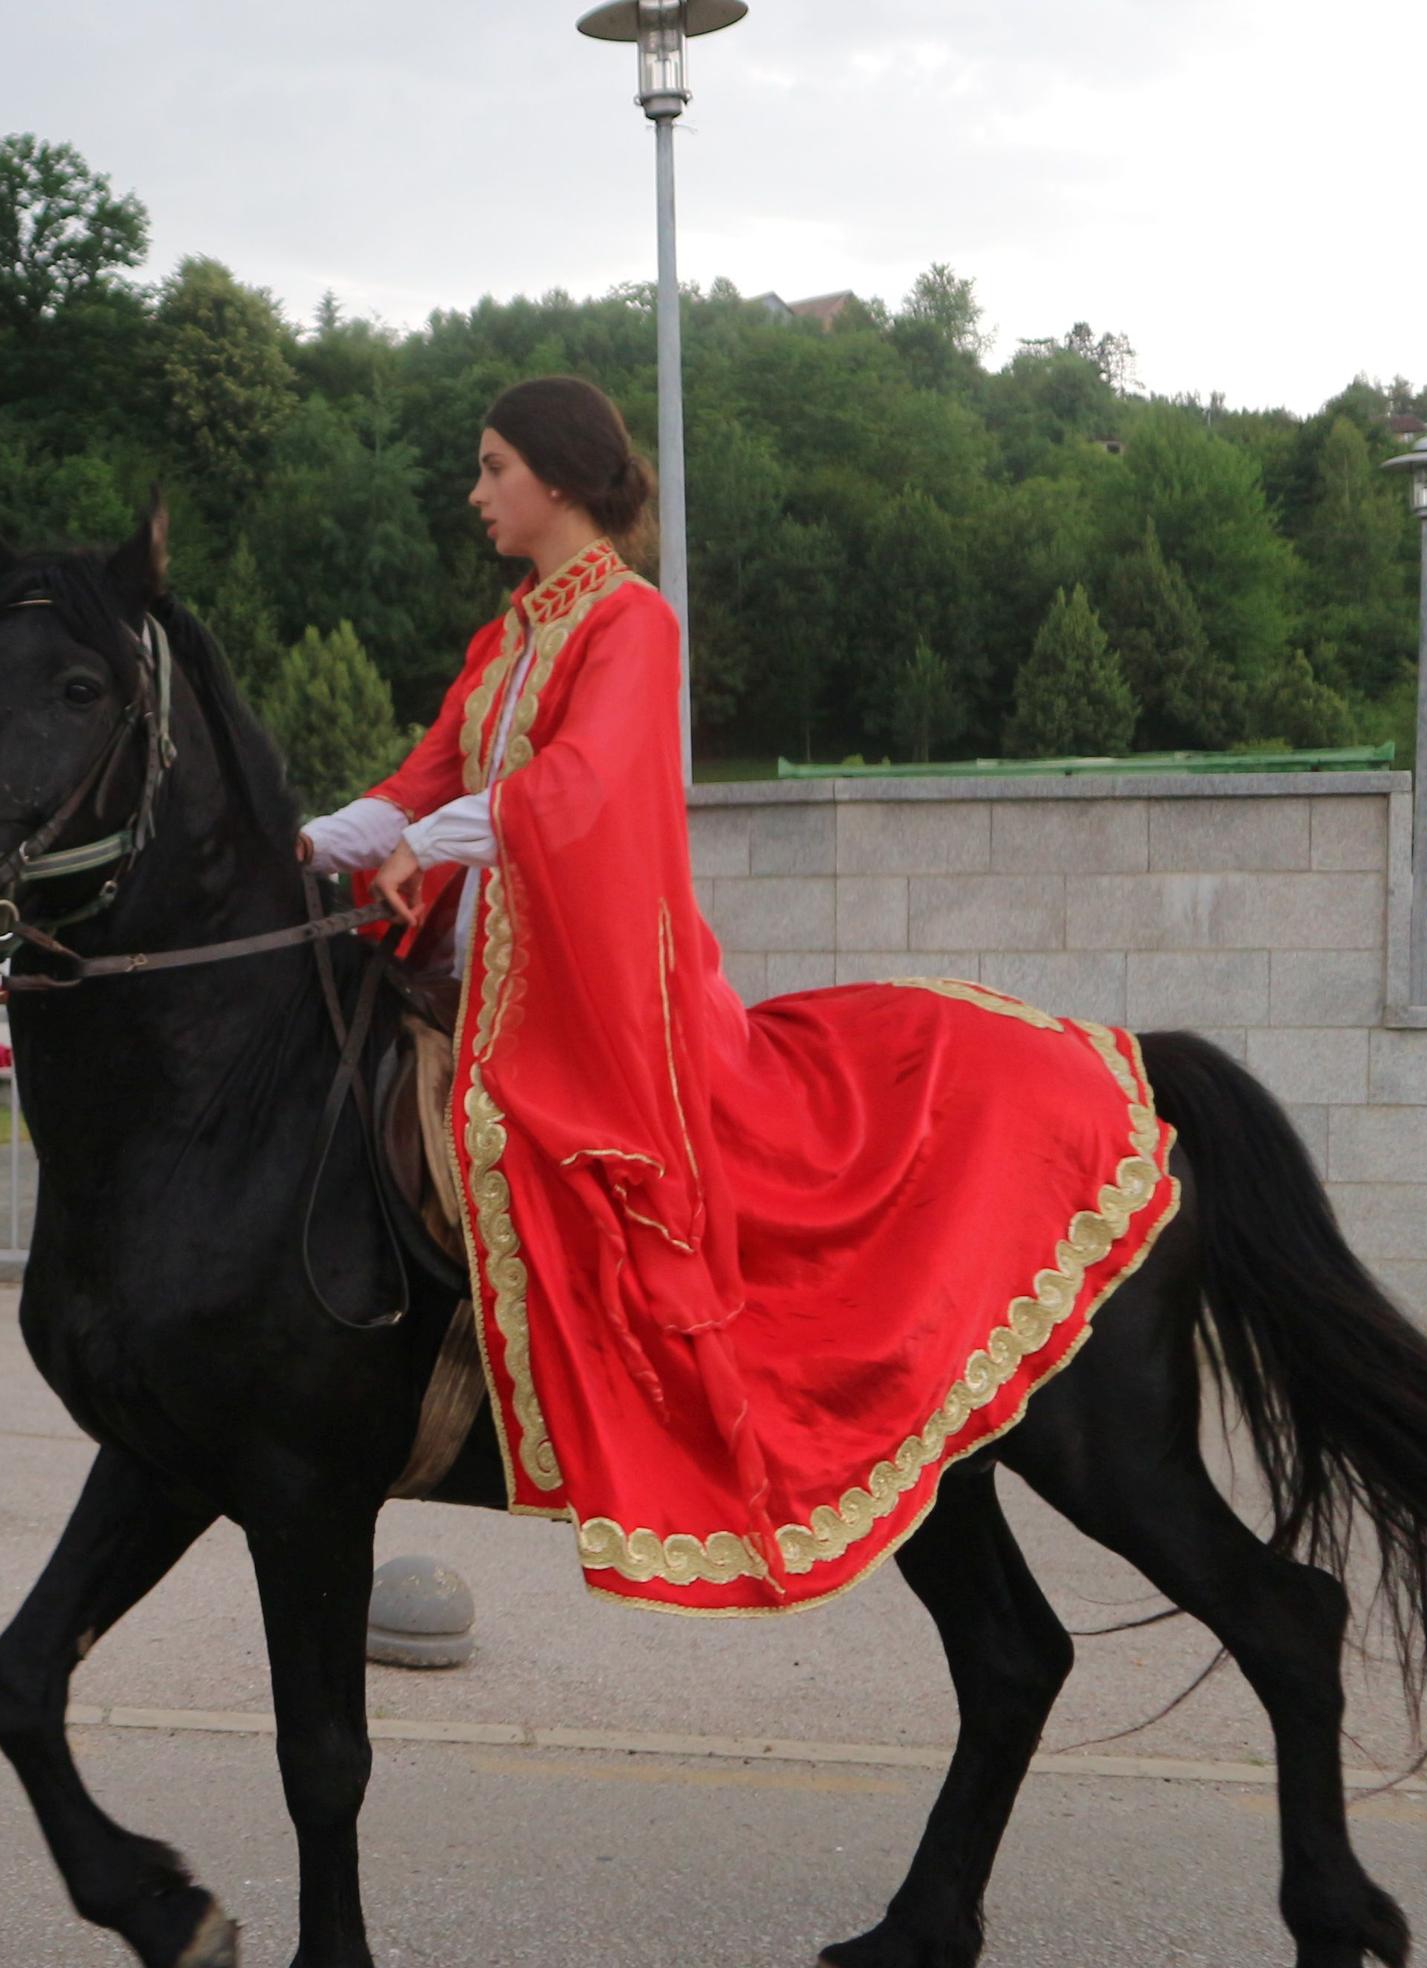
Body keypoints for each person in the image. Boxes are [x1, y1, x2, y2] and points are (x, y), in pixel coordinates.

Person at [292, 376, 1178, 1616]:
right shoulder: (511, 638)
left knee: (531, 1140)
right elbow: (429, 768)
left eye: (494, 468)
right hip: (485, 970)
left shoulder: (631, 624)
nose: (477, 492)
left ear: (557, 478)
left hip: (589, 992)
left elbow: (587, 785)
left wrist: (429, 847)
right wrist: (317, 838)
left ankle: (616, 1408)